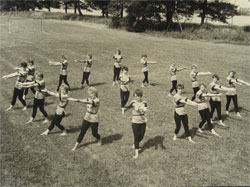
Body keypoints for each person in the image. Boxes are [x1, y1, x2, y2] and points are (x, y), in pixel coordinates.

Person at [71, 87, 101, 151]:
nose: (91, 95)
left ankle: (99, 138)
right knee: (82, 131)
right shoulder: (88, 99)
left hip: (94, 118)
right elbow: (82, 100)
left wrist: (82, 101)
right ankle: (76, 145)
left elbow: (91, 103)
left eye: (92, 94)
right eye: (90, 94)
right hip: (87, 116)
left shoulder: (97, 100)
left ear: (95, 93)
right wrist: (74, 99)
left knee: (94, 133)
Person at [125, 89, 147, 159]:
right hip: (135, 121)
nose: (137, 98)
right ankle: (136, 153)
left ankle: (135, 143)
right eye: (135, 96)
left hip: (142, 121)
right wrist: (129, 107)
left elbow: (145, 108)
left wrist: (142, 109)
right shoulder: (133, 102)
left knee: (142, 135)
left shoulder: (144, 102)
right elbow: (128, 106)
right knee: (136, 136)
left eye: (138, 96)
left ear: (141, 96)